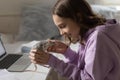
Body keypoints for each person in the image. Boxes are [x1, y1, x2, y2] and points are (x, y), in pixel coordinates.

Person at [29, 0, 120, 80]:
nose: (61, 33)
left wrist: (53, 61)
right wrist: (67, 52)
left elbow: (88, 78)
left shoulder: (98, 39)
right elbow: (87, 68)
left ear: (78, 17)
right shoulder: (88, 34)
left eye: (63, 26)